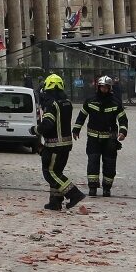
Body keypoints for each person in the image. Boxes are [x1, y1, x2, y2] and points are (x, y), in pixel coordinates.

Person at [74, 75, 129, 197]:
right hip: (93, 138)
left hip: (110, 139)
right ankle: (92, 188)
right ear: (98, 87)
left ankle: (107, 188)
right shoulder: (90, 100)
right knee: (93, 162)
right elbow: (82, 115)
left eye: (106, 87)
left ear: (110, 88)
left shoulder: (115, 102)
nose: (104, 89)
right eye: (102, 87)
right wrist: (76, 129)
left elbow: (123, 119)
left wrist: (123, 131)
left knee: (109, 164)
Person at [36, 74, 85, 211]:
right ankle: (55, 201)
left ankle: (74, 194)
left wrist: (35, 130)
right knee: (57, 172)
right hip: (66, 145)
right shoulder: (67, 103)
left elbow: (47, 124)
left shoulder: (51, 105)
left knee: (50, 173)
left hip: (54, 146)